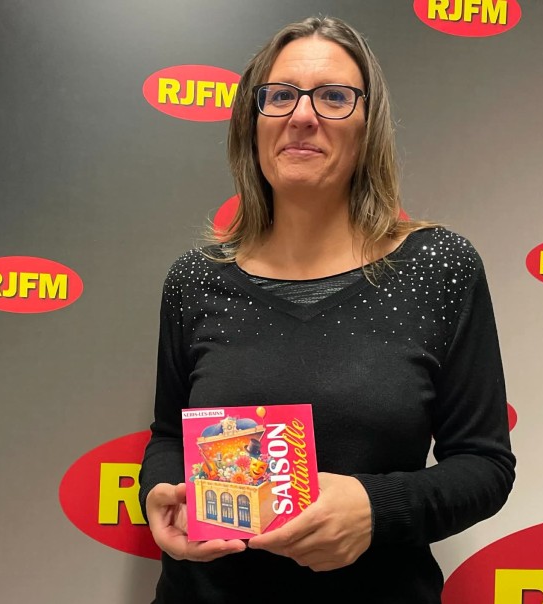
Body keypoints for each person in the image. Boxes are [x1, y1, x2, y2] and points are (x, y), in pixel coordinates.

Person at [139, 15, 515, 604]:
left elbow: (484, 465)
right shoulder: (195, 280)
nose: (302, 115)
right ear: (252, 121)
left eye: (334, 97)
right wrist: (161, 491)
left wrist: (374, 508)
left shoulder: (439, 266)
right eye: (280, 95)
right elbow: (168, 436)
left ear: (368, 127)